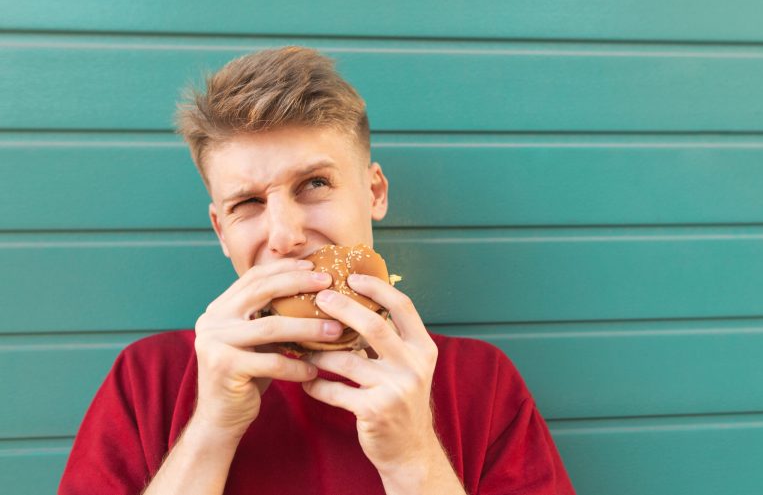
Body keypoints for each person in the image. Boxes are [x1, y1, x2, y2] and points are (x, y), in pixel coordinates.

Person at [59, 46, 576, 495]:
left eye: (315, 184)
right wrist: (211, 430)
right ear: (221, 231)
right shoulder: (148, 378)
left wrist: (413, 457)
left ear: (374, 193)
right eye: (248, 203)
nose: (285, 236)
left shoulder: (481, 381)